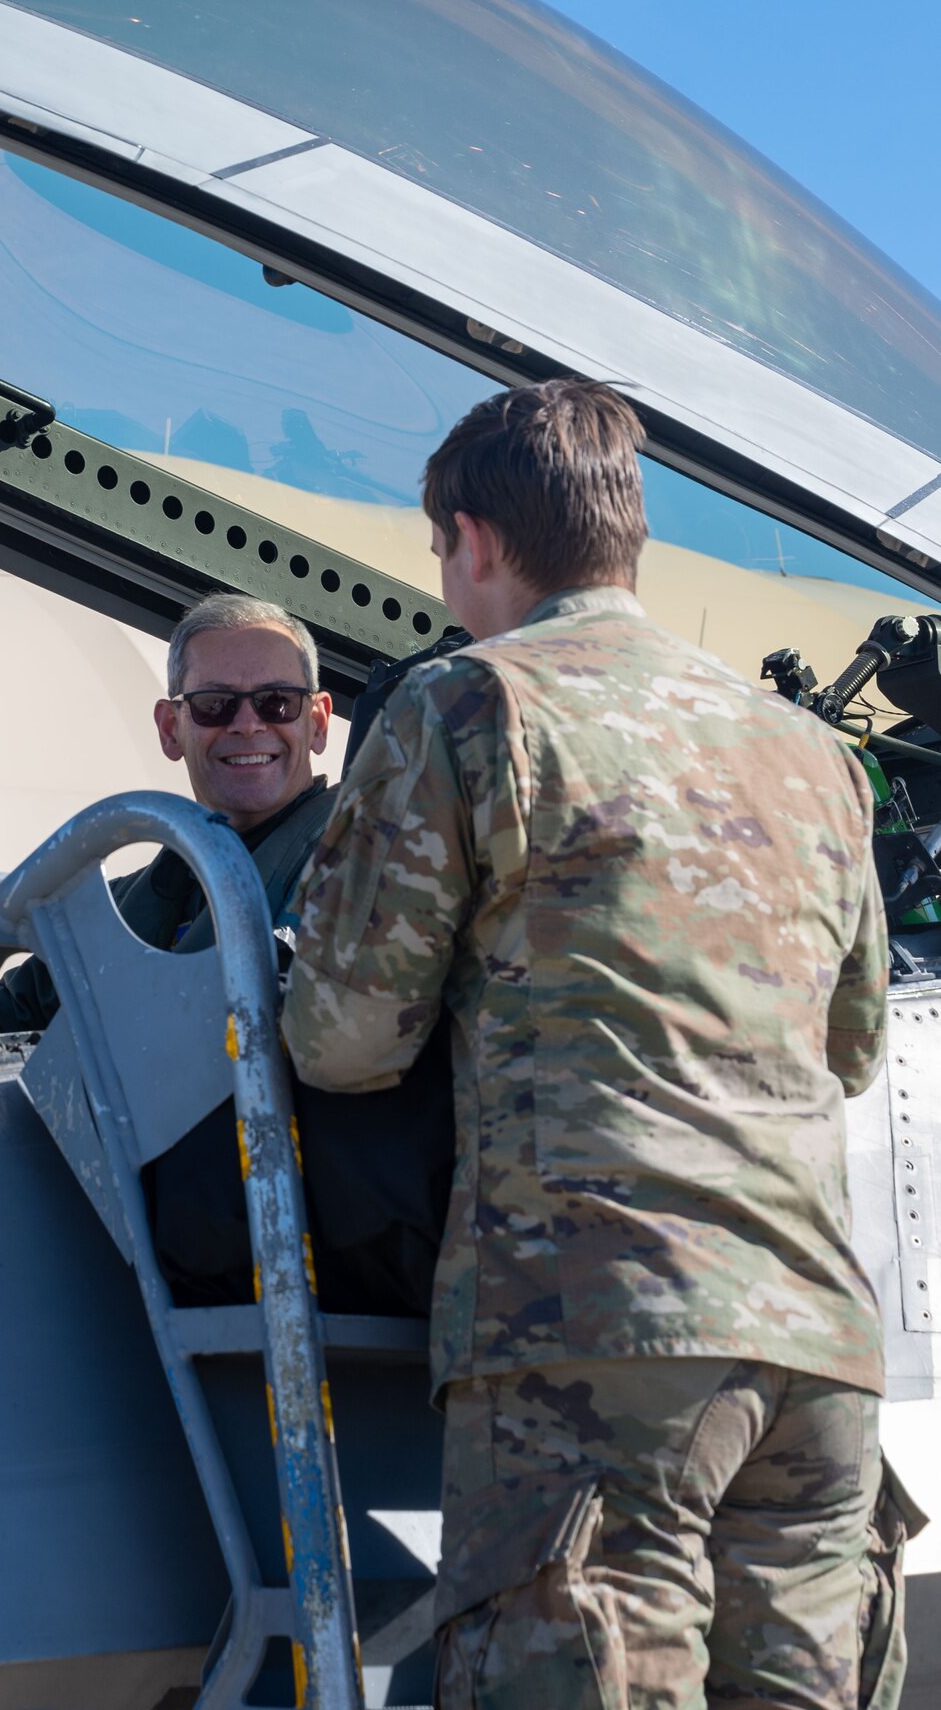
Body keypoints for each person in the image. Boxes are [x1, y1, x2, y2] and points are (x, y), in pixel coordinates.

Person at [281, 378, 918, 1707]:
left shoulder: (467, 710)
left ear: (472, 540)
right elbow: (850, 1044)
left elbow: (344, 1036)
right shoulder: (813, 759)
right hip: (812, 1348)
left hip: (592, 1334)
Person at [0, 590, 453, 1313]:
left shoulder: (362, 870)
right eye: (216, 705)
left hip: (274, 1262)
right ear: (171, 726)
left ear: (318, 723)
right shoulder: (142, 889)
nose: (248, 725)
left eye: (277, 704)